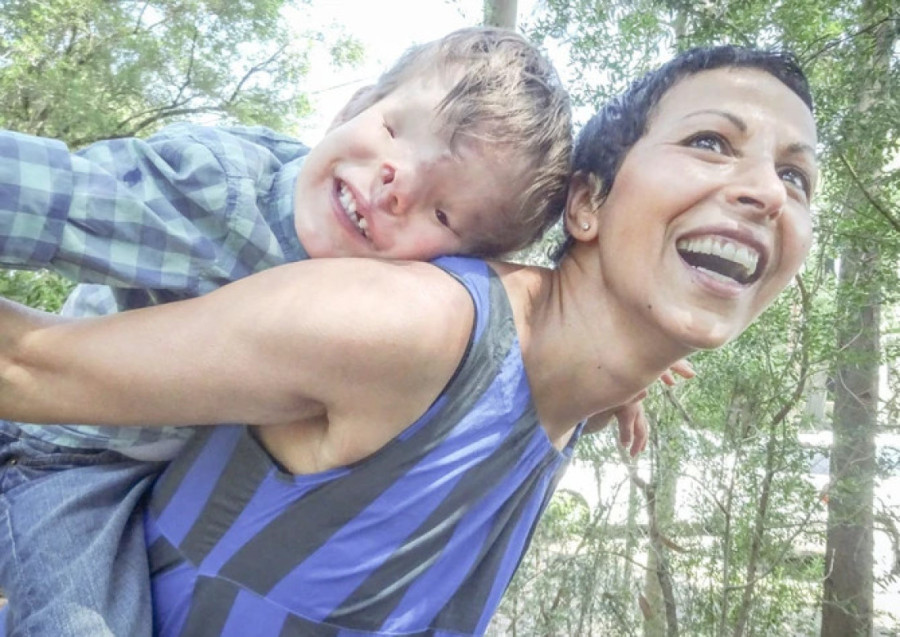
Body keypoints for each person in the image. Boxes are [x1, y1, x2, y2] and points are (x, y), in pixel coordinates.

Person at [0, 44, 817, 636]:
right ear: (586, 205)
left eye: (796, 176)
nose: (766, 193)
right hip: (67, 473)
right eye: (710, 142)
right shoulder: (400, 319)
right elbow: (26, 358)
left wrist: (621, 380)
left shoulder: (568, 387)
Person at [0, 27, 576, 637]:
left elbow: (510, 323)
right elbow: (55, 195)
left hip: (172, 472)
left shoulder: (394, 319)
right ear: (354, 105)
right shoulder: (217, 193)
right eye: (394, 130)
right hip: (68, 455)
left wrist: (603, 384)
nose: (396, 182)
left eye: (443, 212)